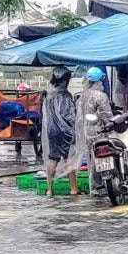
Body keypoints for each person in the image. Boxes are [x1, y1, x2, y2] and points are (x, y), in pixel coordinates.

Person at [42, 66, 82, 196]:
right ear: (65, 81)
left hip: (51, 131)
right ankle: (73, 189)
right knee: (68, 158)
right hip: (65, 132)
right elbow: (70, 115)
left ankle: (49, 189)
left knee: (52, 158)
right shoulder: (65, 95)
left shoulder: (49, 96)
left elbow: (46, 116)